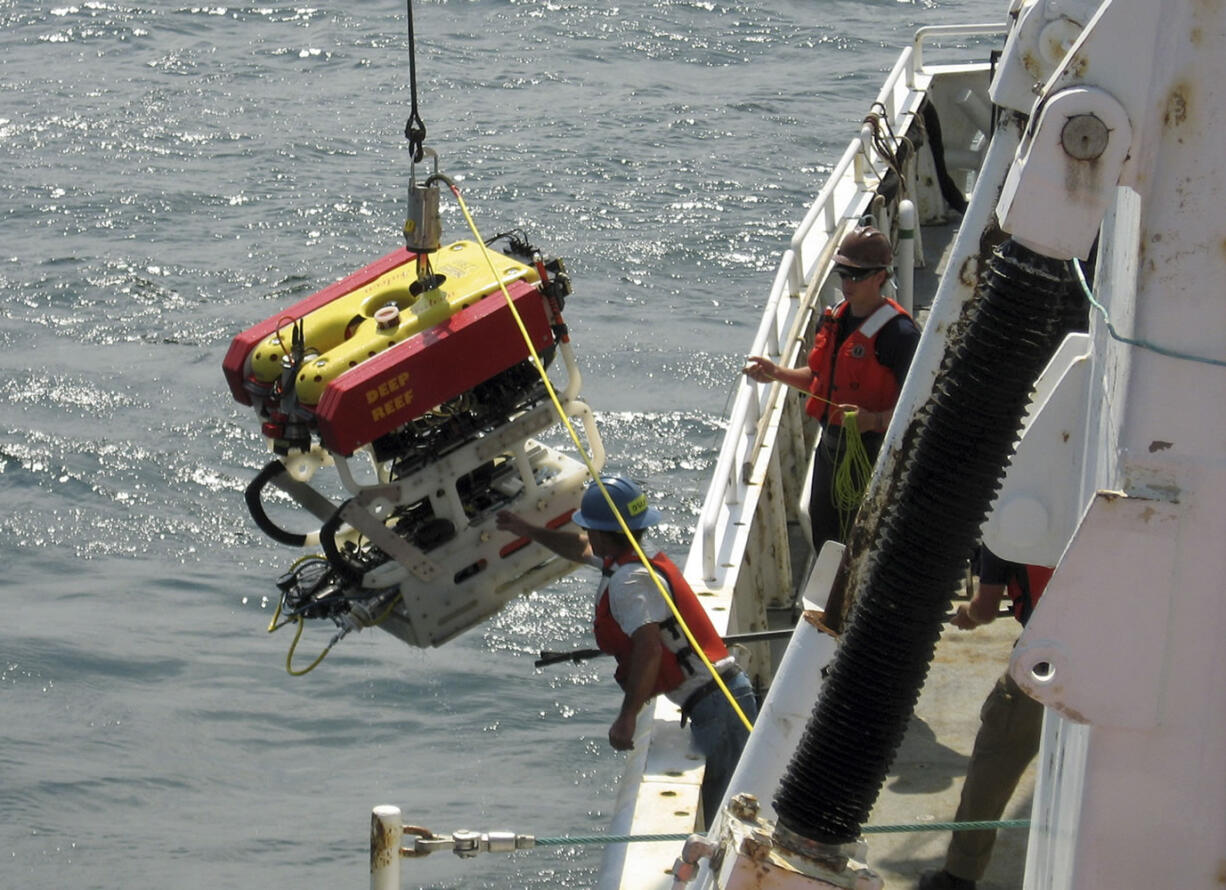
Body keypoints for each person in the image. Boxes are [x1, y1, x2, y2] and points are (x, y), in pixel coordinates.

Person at [496, 475, 757, 822]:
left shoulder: (628, 583)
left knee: (729, 817)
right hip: (720, 698)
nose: (587, 535)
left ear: (603, 535)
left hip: (718, 708)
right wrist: (528, 529)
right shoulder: (630, 561)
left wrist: (627, 717)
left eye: (590, 529)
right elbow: (579, 549)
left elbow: (649, 649)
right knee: (728, 809)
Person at [743, 225, 920, 553]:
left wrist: (875, 421)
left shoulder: (900, 334)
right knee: (825, 530)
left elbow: (922, 407)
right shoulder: (838, 317)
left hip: (873, 453)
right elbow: (820, 379)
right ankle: (828, 599)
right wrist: (776, 373)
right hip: (832, 449)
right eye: (843, 273)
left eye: (857, 275)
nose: (847, 283)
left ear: (880, 277)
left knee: (865, 537)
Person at [917, 546, 1055, 890]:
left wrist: (968, 615)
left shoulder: (1007, 528)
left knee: (994, 762)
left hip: (1045, 659)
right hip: (1110, 653)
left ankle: (960, 874)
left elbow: (986, 607)